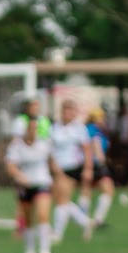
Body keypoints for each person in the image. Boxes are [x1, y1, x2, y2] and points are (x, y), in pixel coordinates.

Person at [5, 97, 55, 253]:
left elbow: (52, 161)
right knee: (27, 219)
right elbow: (10, 165)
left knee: (43, 214)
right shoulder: (17, 145)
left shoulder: (44, 143)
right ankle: (30, 250)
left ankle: (45, 251)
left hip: (41, 183)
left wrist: (57, 175)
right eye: (30, 128)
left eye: (35, 128)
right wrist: (19, 176)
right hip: (25, 185)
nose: (33, 130)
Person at [49, 96, 94, 245]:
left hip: (72, 167)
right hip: (57, 168)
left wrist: (88, 169)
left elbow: (87, 149)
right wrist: (52, 164)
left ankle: (57, 234)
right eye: (65, 110)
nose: (68, 113)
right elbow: (50, 148)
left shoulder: (79, 129)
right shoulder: (55, 126)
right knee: (61, 200)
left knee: (62, 200)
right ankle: (85, 222)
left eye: (70, 111)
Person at [85, 108, 116, 230]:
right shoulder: (94, 130)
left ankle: (90, 219)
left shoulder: (92, 129)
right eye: (101, 117)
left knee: (88, 191)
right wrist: (102, 162)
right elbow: (96, 146)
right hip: (95, 164)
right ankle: (95, 219)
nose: (103, 120)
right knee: (108, 190)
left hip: (92, 164)